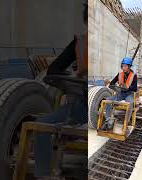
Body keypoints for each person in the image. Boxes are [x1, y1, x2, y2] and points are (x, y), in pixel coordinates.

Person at [33, 1, 87, 180]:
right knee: (42, 126)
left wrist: (74, 76)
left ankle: (44, 174)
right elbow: (53, 71)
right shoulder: (87, 43)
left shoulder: (80, 42)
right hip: (93, 108)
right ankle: (45, 175)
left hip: (87, 107)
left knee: (42, 126)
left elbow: (54, 71)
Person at [102, 57, 138, 130]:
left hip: (129, 94)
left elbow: (135, 88)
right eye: (123, 66)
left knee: (130, 103)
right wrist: (113, 85)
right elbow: (112, 82)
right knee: (108, 100)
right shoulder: (120, 74)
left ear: (129, 66)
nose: (123, 67)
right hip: (121, 93)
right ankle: (108, 120)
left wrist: (128, 87)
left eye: (125, 66)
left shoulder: (134, 75)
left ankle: (126, 123)